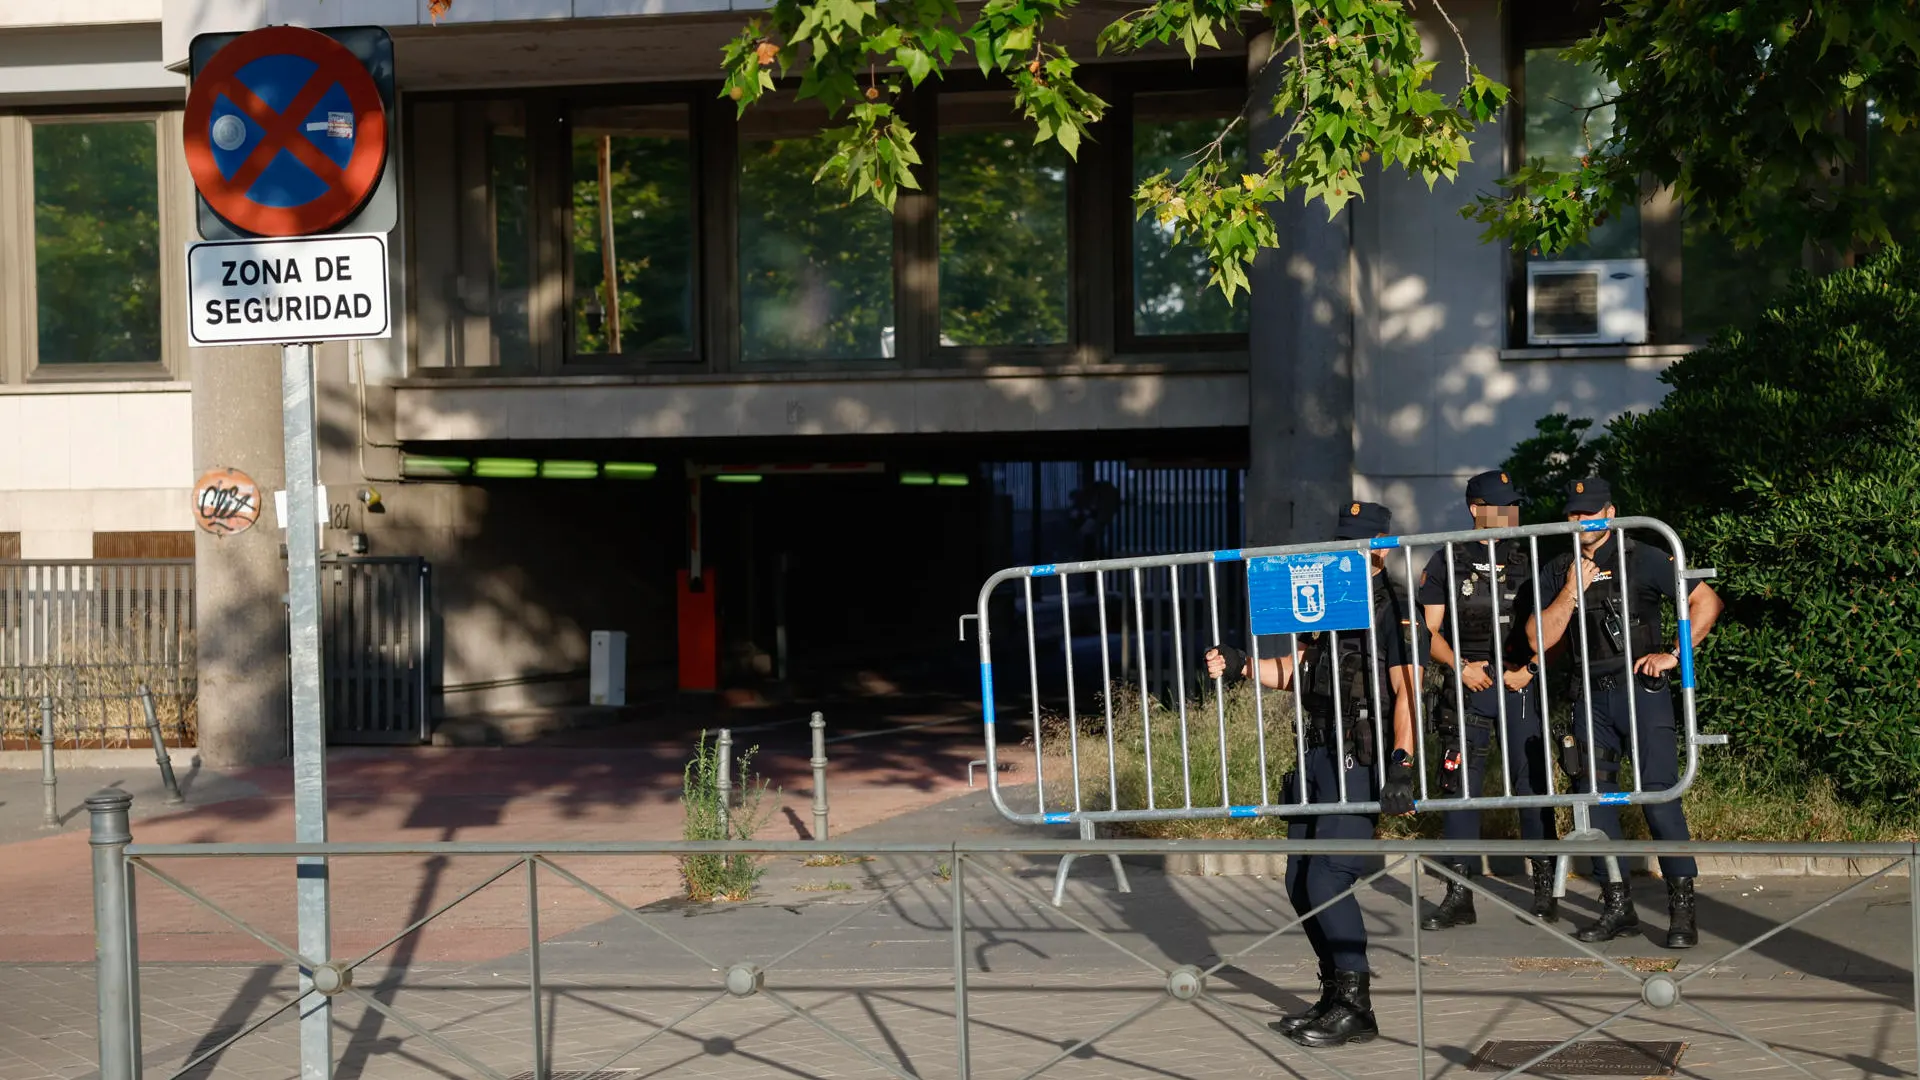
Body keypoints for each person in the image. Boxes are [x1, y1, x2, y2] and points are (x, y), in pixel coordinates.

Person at [1204, 501, 1420, 1048]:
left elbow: (1407, 691)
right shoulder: (1324, 597)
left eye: (1358, 541)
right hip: (1317, 750)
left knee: (1328, 877)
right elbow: (1300, 673)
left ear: (1382, 545)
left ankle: (1357, 1006)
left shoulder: (1394, 604)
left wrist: (1402, 763)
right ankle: (1333, 995)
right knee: (1299, 882)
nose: (1345, 549)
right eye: (1341, 539)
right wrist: (1243, 665)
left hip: (1362, 752)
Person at [1526, 477, 1724, 948]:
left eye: (1589, 513)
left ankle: (1682, 907)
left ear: (1610, 513)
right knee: (1594, 803)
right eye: (1573, 514)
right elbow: (1537, 638)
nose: (1580, 522)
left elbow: (1706, 601)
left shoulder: (1644, 556)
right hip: (1587, 697)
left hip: (1641, 690)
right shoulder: (1558, 569)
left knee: (1660, 797)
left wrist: (1675, 656)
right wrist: (1571, 590)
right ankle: (1618, 905)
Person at [1417, 470, 1561, 930]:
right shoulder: (1448, 558)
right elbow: (1428, 631)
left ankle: (1544, 890)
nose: (1511, 514)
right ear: (1476, 508)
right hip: (1469, 684)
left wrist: (1532, 669)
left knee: (1532, 785)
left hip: (1521, 680)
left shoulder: (1532, 553)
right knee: (1460, 791)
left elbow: (1557, 622)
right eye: (1502, 506)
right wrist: (1459, 667)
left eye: (1514, 505)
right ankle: (1459, 894)